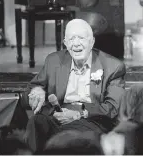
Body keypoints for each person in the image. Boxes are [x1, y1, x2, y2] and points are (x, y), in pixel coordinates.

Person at [23, 19, 126, 153]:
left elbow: (112, 108)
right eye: (71, 39)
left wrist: (79, 114)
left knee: (66, 136)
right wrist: (37, 92)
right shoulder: (53, 60)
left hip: (91, 120)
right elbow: (30, 92)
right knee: (35, 122)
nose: (76, 44)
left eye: (81, 38)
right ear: (65, 43)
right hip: (57, 115)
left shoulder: (113, 66)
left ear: (92, 41)